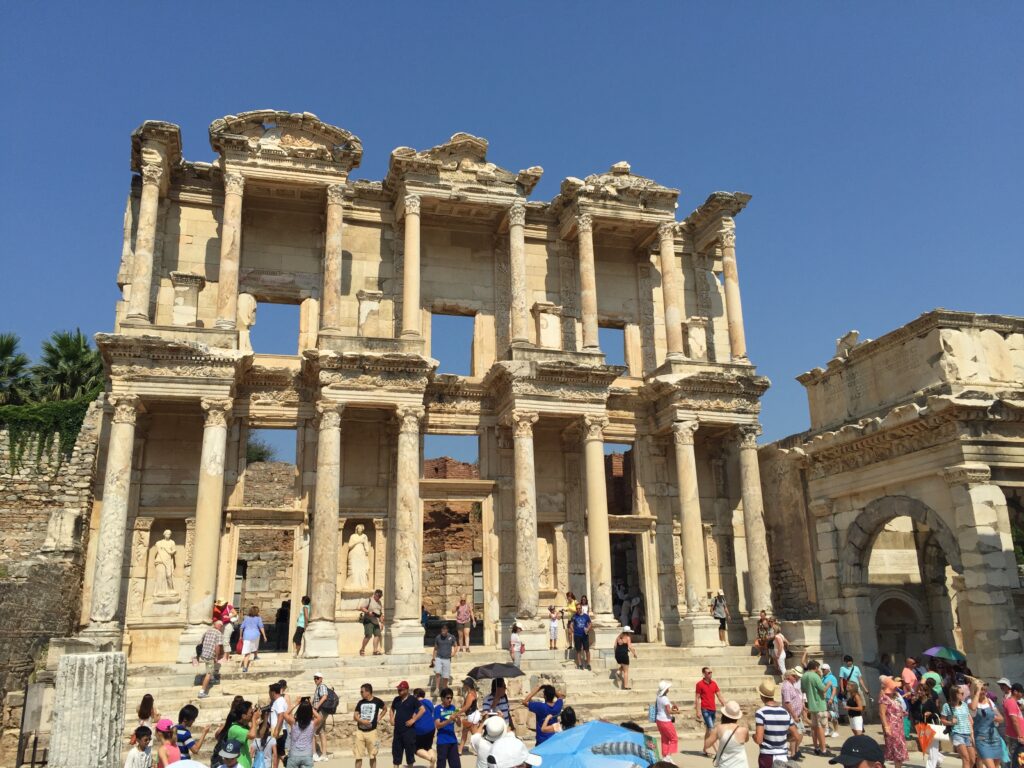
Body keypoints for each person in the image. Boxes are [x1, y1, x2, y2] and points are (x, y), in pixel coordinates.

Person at [754, 679, 800, 768]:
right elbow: (796, 736)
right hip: (783, 756)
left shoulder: (761, 712)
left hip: (767, 755)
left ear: (761, 695)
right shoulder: (785, 712)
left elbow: (759, 740)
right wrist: (782, 739)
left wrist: (754, 737)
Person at [969, 679, 1003, 768]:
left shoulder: (990, 702)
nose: (983, 692)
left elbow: (1001, 718)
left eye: (984, 690)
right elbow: (973, 708)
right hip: (981, 739)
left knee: (996, 766)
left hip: (994, 738)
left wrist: (995, 718)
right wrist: (977, 691)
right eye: (981, 690)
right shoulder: (971, 702)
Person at [352, 682, 387, 768]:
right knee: (358, 756)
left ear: (368, 692)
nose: (361, 693)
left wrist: (379, 717)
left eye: (362, 692)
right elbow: (355, 716)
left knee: (373, 755)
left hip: (372, 732)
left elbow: (385, 709)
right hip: (360, 732)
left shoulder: (377, 701)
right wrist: (362, 721)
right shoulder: (360, 702)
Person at [705, 700, 749, 768]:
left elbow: (707, 745)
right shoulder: (744, 730)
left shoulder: (719, 728)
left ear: (724, 715)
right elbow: (746, 740)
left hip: (725, 765)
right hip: (742, 765)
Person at [941, 682, 974, 768]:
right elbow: (942, 720)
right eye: (961, 693)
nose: (963, 695)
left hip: (967, 733)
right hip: (957, 734)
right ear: (955, 694)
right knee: (965, 758)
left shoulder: (964, 705)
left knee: (972, 759)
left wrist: (972, 734)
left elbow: (968, 720)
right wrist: (950, 723)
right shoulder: (947, 706)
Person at [696, 666, 727, 754]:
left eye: (711, 672)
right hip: (705, 709)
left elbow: (719, 695)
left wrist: (724, 704)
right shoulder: (699, 684)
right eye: (708, 673)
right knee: (711, 730)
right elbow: (697, 698)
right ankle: (718, 752)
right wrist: (698, 711)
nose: (710, 674)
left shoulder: (714, 683)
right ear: (704, 674)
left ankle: (705, 749)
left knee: (708, 730)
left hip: (713, 709)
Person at [281, 697, 319, 768]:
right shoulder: (312, 724)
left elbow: (285, 714)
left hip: (294, 755)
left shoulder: (294, 723)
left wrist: (296, 703)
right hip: (307, 756)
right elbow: (318, 717)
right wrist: (309, 706)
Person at [879, 676, 908, 768]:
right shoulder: (884, 698)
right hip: (892, 727)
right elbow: (882, 714)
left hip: (899, 726)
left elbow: (894, 710)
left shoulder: (894, 697)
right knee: (896, 750)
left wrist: (902, 713)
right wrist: (886, 727)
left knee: (899, 750)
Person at [801, 660, 829, 756]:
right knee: (821, 727)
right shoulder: (815, 676)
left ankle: (816, 747)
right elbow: (823, 689)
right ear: (816, 667)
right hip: (819, 705)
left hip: (811, 705)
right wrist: (829, 684)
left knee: (814, 727)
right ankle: (823, 749)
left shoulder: (804, 676)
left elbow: (803, 689)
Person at [389, 681, 420, 768]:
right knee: (396, 753)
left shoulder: (413, 699)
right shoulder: (396, 699)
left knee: (409, 753)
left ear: (407, 690)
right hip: (398, 731)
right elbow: (392, 709)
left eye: (401, 690)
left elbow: (422, 710)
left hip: (409, 731)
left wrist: (413, 720)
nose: (399, 691)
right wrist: (391, 718)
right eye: (398, 690)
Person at [224, 700, 261, 768]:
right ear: (243, 716)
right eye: (251, 713)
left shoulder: (244, 727)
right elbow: (252, 735)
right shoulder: (235, 729)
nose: (252, 714)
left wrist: (265, 716)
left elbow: (260, 735)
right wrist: (254, 718)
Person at [434, 687, 461, 768]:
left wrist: (458, 719)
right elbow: (438, 725)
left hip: (453, 741)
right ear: (442, 698)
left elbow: (459, 725)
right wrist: (449, 720)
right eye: (447, 698)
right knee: (441, 765)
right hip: (442, 742)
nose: (449, 700)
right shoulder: (437, 709)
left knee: (456, 765)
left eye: (451, 698)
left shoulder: (453, 708)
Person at [781, 669, 805, 761]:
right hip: (792, 715)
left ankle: (796, 752)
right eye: (794, 676)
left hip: (796, 715)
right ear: (788, 677)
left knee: (799, 733)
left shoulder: (790, 685)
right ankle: (793, 754)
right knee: (794, 735)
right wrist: (794, 715)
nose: (795, 678)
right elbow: (787, 702)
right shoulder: (787, 686)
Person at [999, 680, 1024, 766]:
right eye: (1021, 692)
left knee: (1020, 759)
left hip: (1017, 736)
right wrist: (1020, 736)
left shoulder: (1013, 703)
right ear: (1015, 692)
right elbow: (1014, 721)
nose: (1022, 694)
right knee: (1016, 759)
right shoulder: (1011, 702)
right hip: (1015, 737)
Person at [198, 620, 225, 698]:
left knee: (209, 668)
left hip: (204, 653)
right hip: (210, 655)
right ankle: (202, 692)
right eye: (221, 626)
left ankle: (212, 679)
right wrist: (216, 656)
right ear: (219, 626)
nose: (221, 627)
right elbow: (217, 646)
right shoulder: (218, 633)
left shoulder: (207, 631)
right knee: (208, 673)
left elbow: (201, 641)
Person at [411, 687, 436, 767]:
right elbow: (432, 712)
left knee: (416, 748)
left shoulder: (415, 704)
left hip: (420, 729)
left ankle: (430, 758)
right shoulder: (429, 702)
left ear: (415, 695)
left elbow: (413, 717)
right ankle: (433, 761)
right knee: (428, 747)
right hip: (431, 727)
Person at [655, 679, 680, 759]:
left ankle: (665, 756)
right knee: (674, 738)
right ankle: (668, 756)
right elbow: (669, 711)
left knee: (664, 738)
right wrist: (677, 712)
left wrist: (673, 706)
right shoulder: (665, 699)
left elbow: (666, 707)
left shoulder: (658, 696)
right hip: (665, 721)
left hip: (659, 720)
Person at [311, 673, 333, 762]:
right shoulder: (318, 687)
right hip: (321, 712)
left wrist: (316, 707)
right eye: (314, 678)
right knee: (321, 732)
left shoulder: (322, 686)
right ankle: (324, 755)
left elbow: (324, 696)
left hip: (320, 711)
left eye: (317, 678)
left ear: (321, 678)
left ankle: (314, 754)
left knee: (312, 731)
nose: (315, 680)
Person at [433, 622, 459, 692]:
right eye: (442, 629)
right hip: (439, 657)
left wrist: (454, 652)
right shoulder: (438, 637)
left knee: (445, 675)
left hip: (447, 658)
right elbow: (435, 648)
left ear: (447, 630)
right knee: (437, 672)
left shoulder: (451, 637)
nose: (443, 631)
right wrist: (433, 658)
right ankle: (437, 688)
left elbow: (456, 645)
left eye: (444, 629)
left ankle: (444, 688)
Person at [359, 589, 385, 656]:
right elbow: (361, 607)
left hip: (375, 621)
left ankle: (375, 651)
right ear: (375, 594)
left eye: (380, 596)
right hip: (368, 620)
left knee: (377, 635)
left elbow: (380, 613)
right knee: (368, 635)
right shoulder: (369, 600)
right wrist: (368, 612)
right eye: (378, 596)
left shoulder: (379, 602)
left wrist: (382, 623)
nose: (379, 597)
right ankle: (362, 649)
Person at [240, 606, 266, 673]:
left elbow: (242, 627)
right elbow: (261, 627)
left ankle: (245, 667)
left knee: (247, 652)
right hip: (255, 634)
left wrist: (240, 636)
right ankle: (255, 656)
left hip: (246, 635)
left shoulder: (246, 618)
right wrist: (264, 636)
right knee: (255, 645)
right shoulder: (258, 618)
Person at [268, 683, 289, 768]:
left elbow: (281, 715)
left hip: (279, 731)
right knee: (278, 753)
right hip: (279, 730)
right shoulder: (279, 701)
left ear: (273, 692)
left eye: (269, 692)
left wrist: (276, 730)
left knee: (278, 753)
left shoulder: (279, 701)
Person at [457, 677, 480, 755]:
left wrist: (457, 712)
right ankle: (460, 750)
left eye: (464, 684)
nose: (463, 685)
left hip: (472, 715)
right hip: (472, 714)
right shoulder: (472, 692)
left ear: (467, 685)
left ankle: (479, 750)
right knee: (464, 733)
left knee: (475, 734)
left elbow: (466, 706)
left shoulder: (470, 694)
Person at [821, 663, 839, 738]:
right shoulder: (823, 678)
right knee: (826, 715)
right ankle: (828, 729)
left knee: (834, 716)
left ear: (828, 669)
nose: (822, 671)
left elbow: (834, 689)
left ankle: (836, 731)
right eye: (822, 669)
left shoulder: (832, 677)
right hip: (824, 699)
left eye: (824, 669)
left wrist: (831, 698)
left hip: (831, 700)